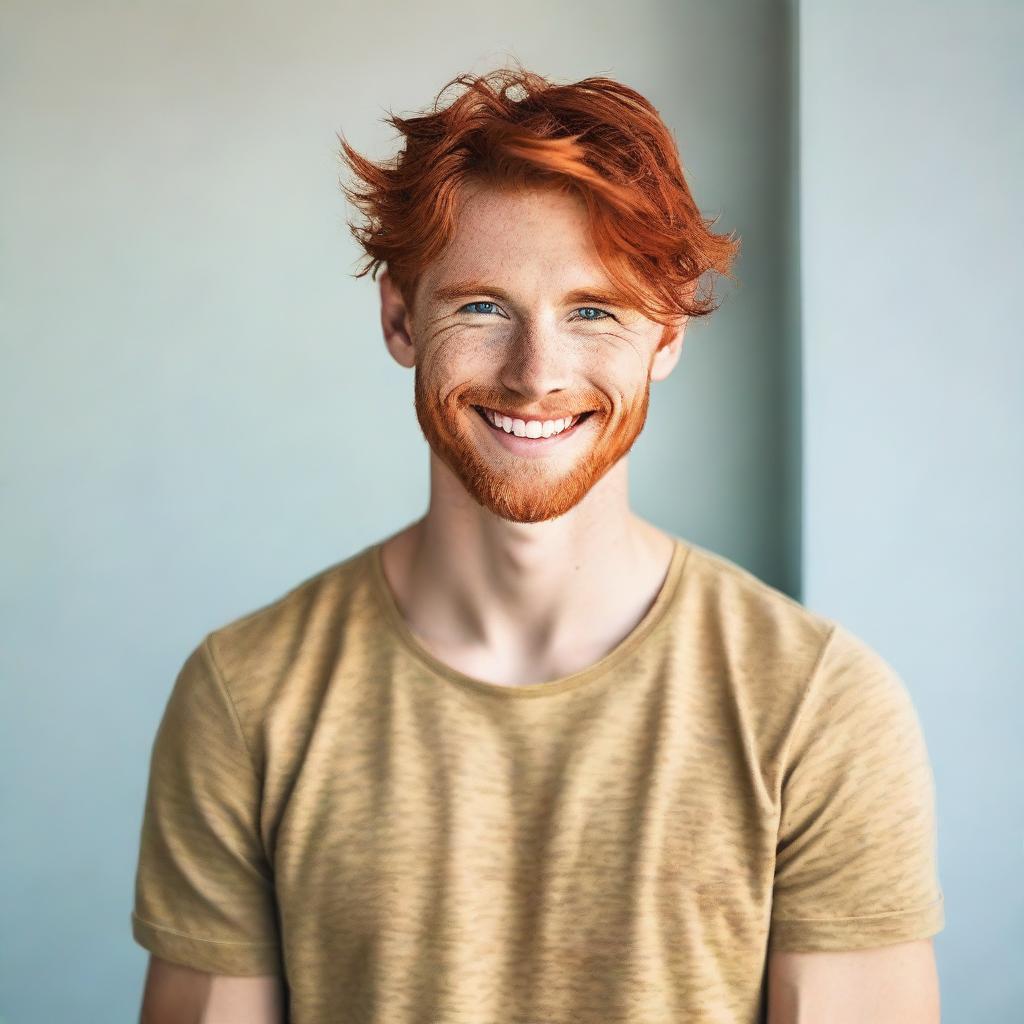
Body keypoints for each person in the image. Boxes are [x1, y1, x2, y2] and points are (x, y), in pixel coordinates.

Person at [131, 64, 944, 1023]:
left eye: (594, 311)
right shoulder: (247, 696)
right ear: (400, 317)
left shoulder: (819, 711)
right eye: (482, 307)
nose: (535, 376)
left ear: (667, 335)